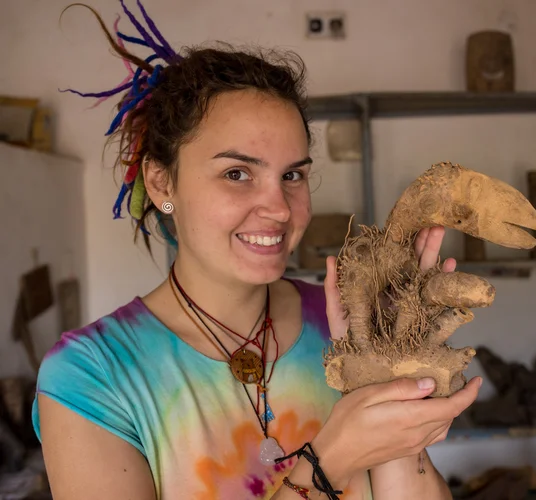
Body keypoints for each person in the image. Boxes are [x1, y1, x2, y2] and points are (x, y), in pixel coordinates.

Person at [33, 2, 482, 499]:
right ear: (162, 182)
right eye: (237, 174)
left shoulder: (349, 326)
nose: (280, 209)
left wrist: (394, 397)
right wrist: (331, 461)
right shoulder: (92, 376)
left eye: (292, 175)